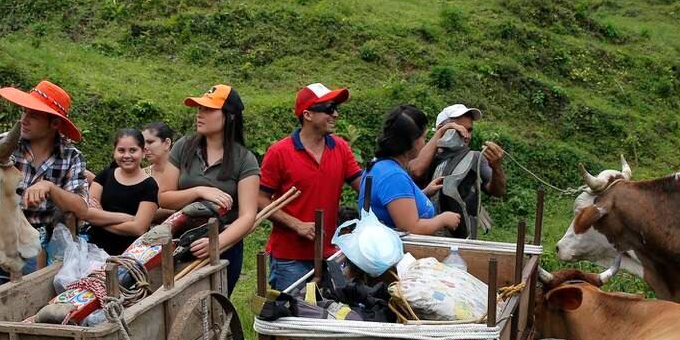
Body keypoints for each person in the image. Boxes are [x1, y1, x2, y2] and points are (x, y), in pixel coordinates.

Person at [155, 84, 259, 294]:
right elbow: (163, 197)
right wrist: (198, 191)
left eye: (208, 110)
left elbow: (248, 216)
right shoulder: (183, 147)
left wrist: (217, 243)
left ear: (229, 116)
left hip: (224, 246)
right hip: (180, 242)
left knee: (215, 311)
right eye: (200, 109)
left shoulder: (244, 159)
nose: (200, 115)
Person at [260, 82, 362, 294]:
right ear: (307, 114)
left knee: (329, 314)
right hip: (290, 258)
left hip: (330, 253)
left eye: (336, 109)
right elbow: (260, 199)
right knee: (291, 318)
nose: (335, 114)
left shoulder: (341, 148)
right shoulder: (279, 152)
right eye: (329, 109)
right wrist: (296, 224)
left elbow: (363, 186)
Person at [0, 79, 90, 270]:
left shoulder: (71, 157)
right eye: (24, 112)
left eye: (34, 116)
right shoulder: (3, 144)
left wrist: (50, 187)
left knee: (31, 266)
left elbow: (81, 209)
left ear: (54, 123)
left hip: (40, 237)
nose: (24, 120)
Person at [357, 105, 462, 236]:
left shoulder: (378, 165)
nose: (424, 143)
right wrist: (443, 219)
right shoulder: (393, 177)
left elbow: (393, 203)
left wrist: (424, 193)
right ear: (411, 142)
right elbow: (411, 228)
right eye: (423, 138)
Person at [413, 103, 507, 237]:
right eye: (459, 129)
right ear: (442, 129)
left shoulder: (474, 158)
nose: (466, 135)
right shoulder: (422, 155)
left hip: (463, 237)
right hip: (424, 234)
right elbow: (416, 171)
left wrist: (496, 168)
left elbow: (498, 191)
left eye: (469, 130)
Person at [85, 129, 159, 256]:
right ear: (114, 152)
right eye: (121, 150)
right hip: (94, 248)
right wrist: (125, 218)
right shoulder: (105, 175)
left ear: (143, 152)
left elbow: (138, 228)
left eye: (132, 150)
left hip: (130, 255)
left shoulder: (149, 185)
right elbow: (87, 213)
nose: (126, 156)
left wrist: (101, 218)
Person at [141, 120, 176, 220]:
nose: (145, 148)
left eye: (150, 142)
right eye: (143, 143)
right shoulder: (142, 175)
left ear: (167, 143)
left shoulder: (184, 174)